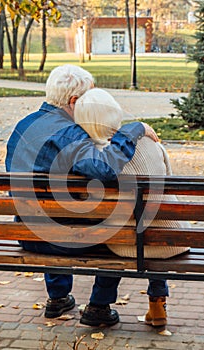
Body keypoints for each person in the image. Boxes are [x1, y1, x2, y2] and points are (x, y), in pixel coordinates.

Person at [5, 64, 158, 327]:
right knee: (119, 234)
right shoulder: (71, 133)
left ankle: (58, 298)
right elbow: (105, 168)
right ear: (74, 101)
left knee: (53, 217)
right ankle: (99, 306)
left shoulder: (23, 125)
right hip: (65, 238)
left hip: (28, 234)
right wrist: (134, 130)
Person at [74, 87, 190, 327]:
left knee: (113, 236)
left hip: (123, 245)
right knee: (155, 231)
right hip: (172, 240)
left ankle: (99, 304)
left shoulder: (94, 160)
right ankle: (158, 305)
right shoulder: (151, 142)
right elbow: (168, 185)